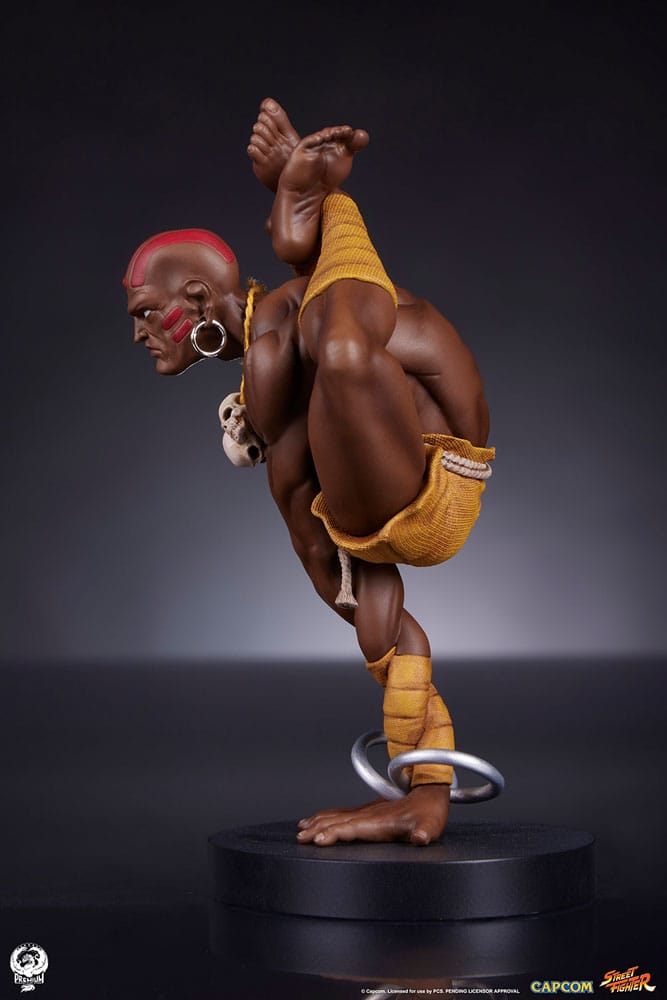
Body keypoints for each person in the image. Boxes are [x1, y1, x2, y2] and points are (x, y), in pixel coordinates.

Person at [124, 99, 494, 846]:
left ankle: (317, 201)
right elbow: (327, 550)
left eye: (143, 312)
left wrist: (310, 202)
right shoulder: (283, 364)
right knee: (323, 341)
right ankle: (421, 798)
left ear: (195, 300)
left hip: (435, 463)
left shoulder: (287, 336)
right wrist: (424, 778)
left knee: (332, 338)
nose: (137, 334)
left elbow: (309, 370)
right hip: (401, 500)